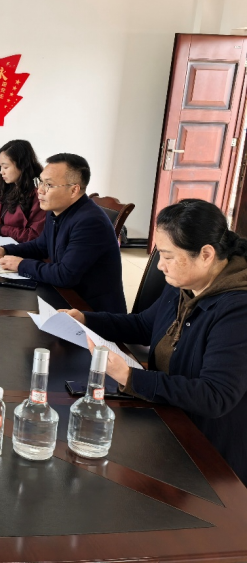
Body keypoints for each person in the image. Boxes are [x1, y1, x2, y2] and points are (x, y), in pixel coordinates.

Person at [63, 199, 247, 483]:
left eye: (168, 256)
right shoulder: (186, 282)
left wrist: (131, 377)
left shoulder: (237, 310)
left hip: (206, 453)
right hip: (166, 414)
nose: (160, 265)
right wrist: (87, 319)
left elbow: (215, 396)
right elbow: (143, 325)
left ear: (206, 254)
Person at [0, 153, 125, 313]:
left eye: (49, 185)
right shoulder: (56, 210)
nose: (40, 190)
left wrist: (21, 265)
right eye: (40, 182)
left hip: (91, 311)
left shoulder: (90, 222)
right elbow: (41, 246)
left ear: (74, 190)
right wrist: (6, 250)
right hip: (64, 297)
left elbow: (65, 275)